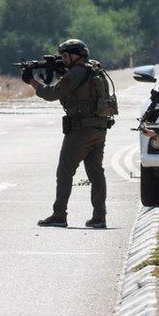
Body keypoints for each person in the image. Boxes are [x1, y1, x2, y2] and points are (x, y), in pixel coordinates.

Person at [27, 39, 113, 229]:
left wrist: (33, 82)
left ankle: (59, 215)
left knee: (64, 172)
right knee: (96, 173)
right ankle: (99, 217)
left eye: (66, 56)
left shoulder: (76, 73)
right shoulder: (93, 69)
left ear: (76, 56)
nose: (63, 60)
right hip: (98, 128)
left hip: (80, 130)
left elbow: (52, 94)